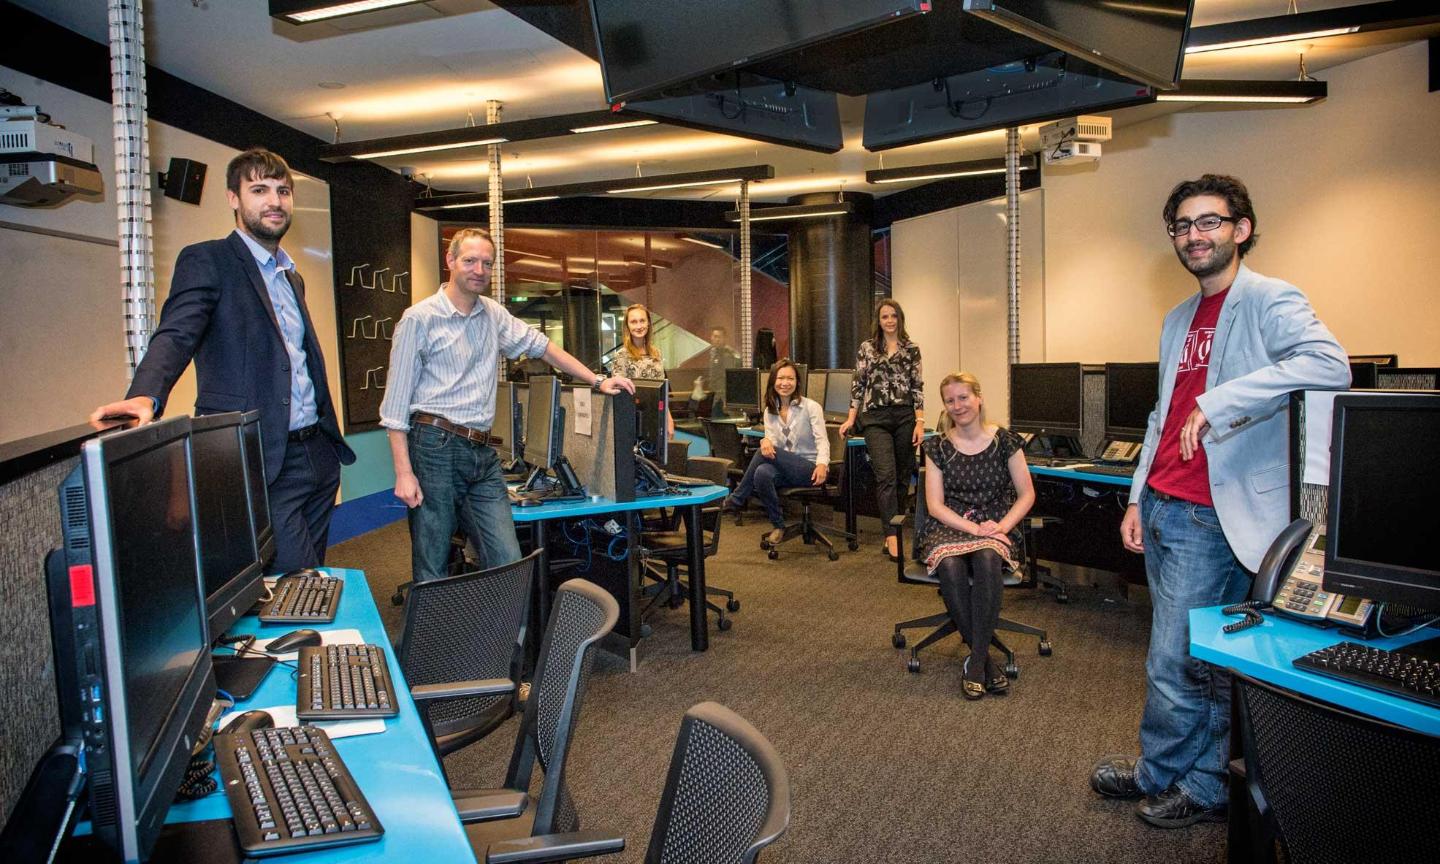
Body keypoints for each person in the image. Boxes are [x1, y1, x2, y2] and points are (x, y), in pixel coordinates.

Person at [1089, 175, 1348, 828]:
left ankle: (1201, 785)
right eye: (1182, 225)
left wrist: (1218, 402)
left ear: (1242, 228)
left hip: (1215, 511)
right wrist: (1136, 495)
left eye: (1209, 221)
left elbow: (1329, 363)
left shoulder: (1268, 299)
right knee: (1177, 655)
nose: (1194, 235)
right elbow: (1162, 414)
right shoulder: (1178, 317)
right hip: (1165, 500)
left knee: (1185, 660)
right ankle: (1163, 768)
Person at [90, 148, 356, 573]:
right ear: (234, 198)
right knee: (294, 576)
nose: (274, 201)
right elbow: (177, 333)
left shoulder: (292, 277)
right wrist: (146, 395)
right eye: (259, 190)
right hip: (261, 457)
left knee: (311, 582)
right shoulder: (209, 260)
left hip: (317, 455)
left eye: (282, 191)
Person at [379, 228, 633, 584]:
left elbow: (543, 347)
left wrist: (596, 380)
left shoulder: (493, 315)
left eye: (487, 263)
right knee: (432, 560)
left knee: (507, 559)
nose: (479, 270)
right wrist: (404, 473)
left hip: (482, 451)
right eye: (470, 260)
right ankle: (430, 623)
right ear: (450, 260)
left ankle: (500, 623)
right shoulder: (419, 319)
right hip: (435, 445)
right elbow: (394, 407)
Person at [916, 372, 1034, 700]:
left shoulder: (1005, 441)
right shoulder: (937, 446)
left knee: (987, 556)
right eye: (950, 400)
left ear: (978, 398)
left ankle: (976, 662)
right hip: (950, 526)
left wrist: (1001, 527)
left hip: (996, 525)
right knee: (950, 564)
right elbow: (935, 506)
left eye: (963, 397)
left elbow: (1027, 494)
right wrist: (974, 529)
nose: (958, 406)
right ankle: (985, 663)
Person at [837, 299, 925, 561]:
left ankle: (894, 527)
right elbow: (858, 385)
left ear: (900, 319)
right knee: (886, 475)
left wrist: (920, 422)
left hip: (904, 416)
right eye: (885, 316)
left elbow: (917, 386)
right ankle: (892, 535)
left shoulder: (912, 349)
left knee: (902, 476)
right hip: (875, 418)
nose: (889, 321)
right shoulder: (867, 348)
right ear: (878, 320)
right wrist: (850, 419)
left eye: (894, 316)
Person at [723, 360, 830, 548]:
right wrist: (766, 441)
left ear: (797, 382)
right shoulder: (770, 412)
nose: (785, 383)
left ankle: (736, 499)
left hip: (810, 469)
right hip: (785, 469)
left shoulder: (811, 407)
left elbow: (822, 440)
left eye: (790, 378)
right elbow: (771, 445)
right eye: (781, 378)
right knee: (762, 472)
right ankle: (778, 525)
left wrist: (823, 464)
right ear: (773, 381)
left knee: (760, 454)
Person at [609, 303, 674, 437]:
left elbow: (661, 391)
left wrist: (668, 419)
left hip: (655, 417)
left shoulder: (656, 354)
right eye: (633, 322)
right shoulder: (621, 356)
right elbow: (618, 396)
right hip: (631, 420)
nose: (639, 326)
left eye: (642, 321)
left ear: (648, 323)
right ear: (627, 326)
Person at [706, 326, 739, 417]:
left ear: (724, 338)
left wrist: (727, 400)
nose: (716, 339)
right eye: (714, 336)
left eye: (718, 337)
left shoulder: (727, 354)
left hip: (724, 396)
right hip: (715, 394)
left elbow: (729, 378)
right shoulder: (713, 352)